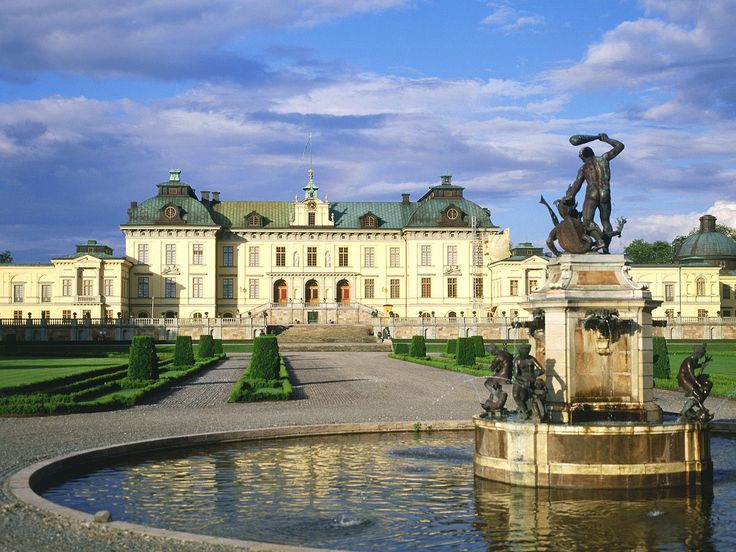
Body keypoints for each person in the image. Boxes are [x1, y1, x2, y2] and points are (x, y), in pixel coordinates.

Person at [565, 133, 625, 253]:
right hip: (605, 192)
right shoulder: (604, 159)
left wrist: (571, 195)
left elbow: (578, 183)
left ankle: (599, 241)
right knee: (605, 221)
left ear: (583, 157)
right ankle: (606, 249)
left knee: (587, 221)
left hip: (592, 193)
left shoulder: (584, 167)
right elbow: (620, 146)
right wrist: (606, 139)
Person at [677, 344, 713, 422]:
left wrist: (704, 363)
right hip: (684, 379)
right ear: (697, 353)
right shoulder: (688, 361)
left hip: (690, 379)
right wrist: (700, 385)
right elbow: (692, 376)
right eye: (701, 356)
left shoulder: (694, 360)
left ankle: (698, 404)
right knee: (697, 393)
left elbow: (696, 366)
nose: (700, 357)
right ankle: (685, 411)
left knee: (708, 384)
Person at [512, 344, 546, 421]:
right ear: (520, 351)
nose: (525, 353)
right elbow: (516, 375)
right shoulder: (517, 360)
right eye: (523, 351)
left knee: (530, 394)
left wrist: (533, 377)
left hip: (531, 379)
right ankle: (524, 411)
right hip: (520, 380)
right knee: (515, 395)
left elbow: (541, 370)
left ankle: (532, 411)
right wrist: (524, 379)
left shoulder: (531, 359)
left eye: (527, 351)